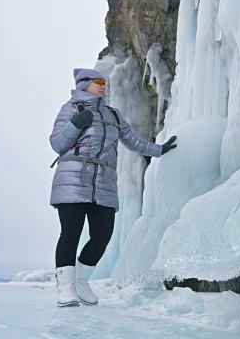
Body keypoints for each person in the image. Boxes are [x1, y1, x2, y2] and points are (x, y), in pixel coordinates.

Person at [49, 68, 178, 307]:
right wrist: (76, 124)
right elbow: (57, 144)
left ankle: (81, 281)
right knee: (70, 233)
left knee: (102, 236)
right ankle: (65, 288)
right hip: (73, 180)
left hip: (104, 183)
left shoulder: (113, 115)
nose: (102, 84)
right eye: (97, 81)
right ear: (83, 84)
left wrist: (159, 150)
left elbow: (133, 141)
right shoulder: (70, 109)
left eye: (104, 81)